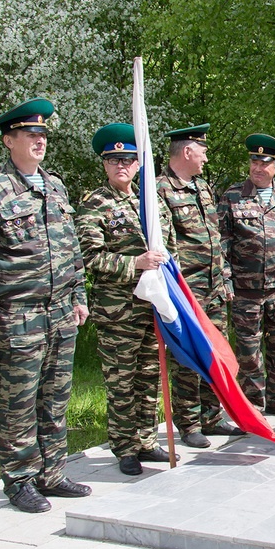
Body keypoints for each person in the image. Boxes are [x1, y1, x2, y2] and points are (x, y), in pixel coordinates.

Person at [0, 98, 91, 513]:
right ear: (9, 140)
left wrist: (79, 297)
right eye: (30, 134)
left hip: (61, 312)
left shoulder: (56, 186)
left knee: (56, 395)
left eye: (43, 134)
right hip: (18, 314)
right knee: (19, 399)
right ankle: (20, 477)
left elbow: (72, 250)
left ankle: (52, 472)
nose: (39, 140)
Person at [76, 124, 174, 476]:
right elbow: (90, 257)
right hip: (117, 310)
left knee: (148, 377)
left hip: (151, 307)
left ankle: (147, 440)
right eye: (114, 159)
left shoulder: (150, 201)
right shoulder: (94, 204)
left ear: (138, 164)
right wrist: (135, 263)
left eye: (128, 159)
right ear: (104, 164)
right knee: (121, 380)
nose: (121, 165)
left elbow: (169, 247)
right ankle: (124, 447)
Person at [157, 123, 243, 448]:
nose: (206, 157)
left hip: (214, 288)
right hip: (186, 291)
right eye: (203, 150)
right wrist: (175, 293)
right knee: (186, 358)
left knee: (214, 352)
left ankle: (212, 416)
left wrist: (225, 279)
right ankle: (189, 423)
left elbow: (215, 238)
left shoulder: (203, 188)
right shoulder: (160, 189)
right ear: (188, 151)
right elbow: (164, 245)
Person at [218, 134, 275, 416]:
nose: (257, 168)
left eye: (264, 163)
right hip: (246, 290)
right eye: (253, 162)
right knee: (248, 352)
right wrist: (225, 279)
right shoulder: (232, 196)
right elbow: (220, 243)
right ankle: (253, 406)